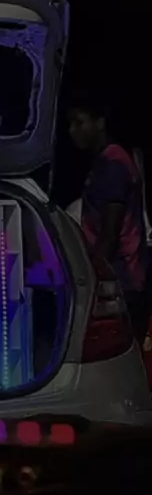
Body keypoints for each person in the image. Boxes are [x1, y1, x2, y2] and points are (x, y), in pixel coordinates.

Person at [68, 100, 149, 346]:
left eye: (79, 122)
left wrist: (93, 277)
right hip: (115, 279)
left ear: (100, 123)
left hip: (122, 281)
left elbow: (110, 232)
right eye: (70, 124)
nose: (72, 131)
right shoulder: (103, 163)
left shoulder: (114, 165)